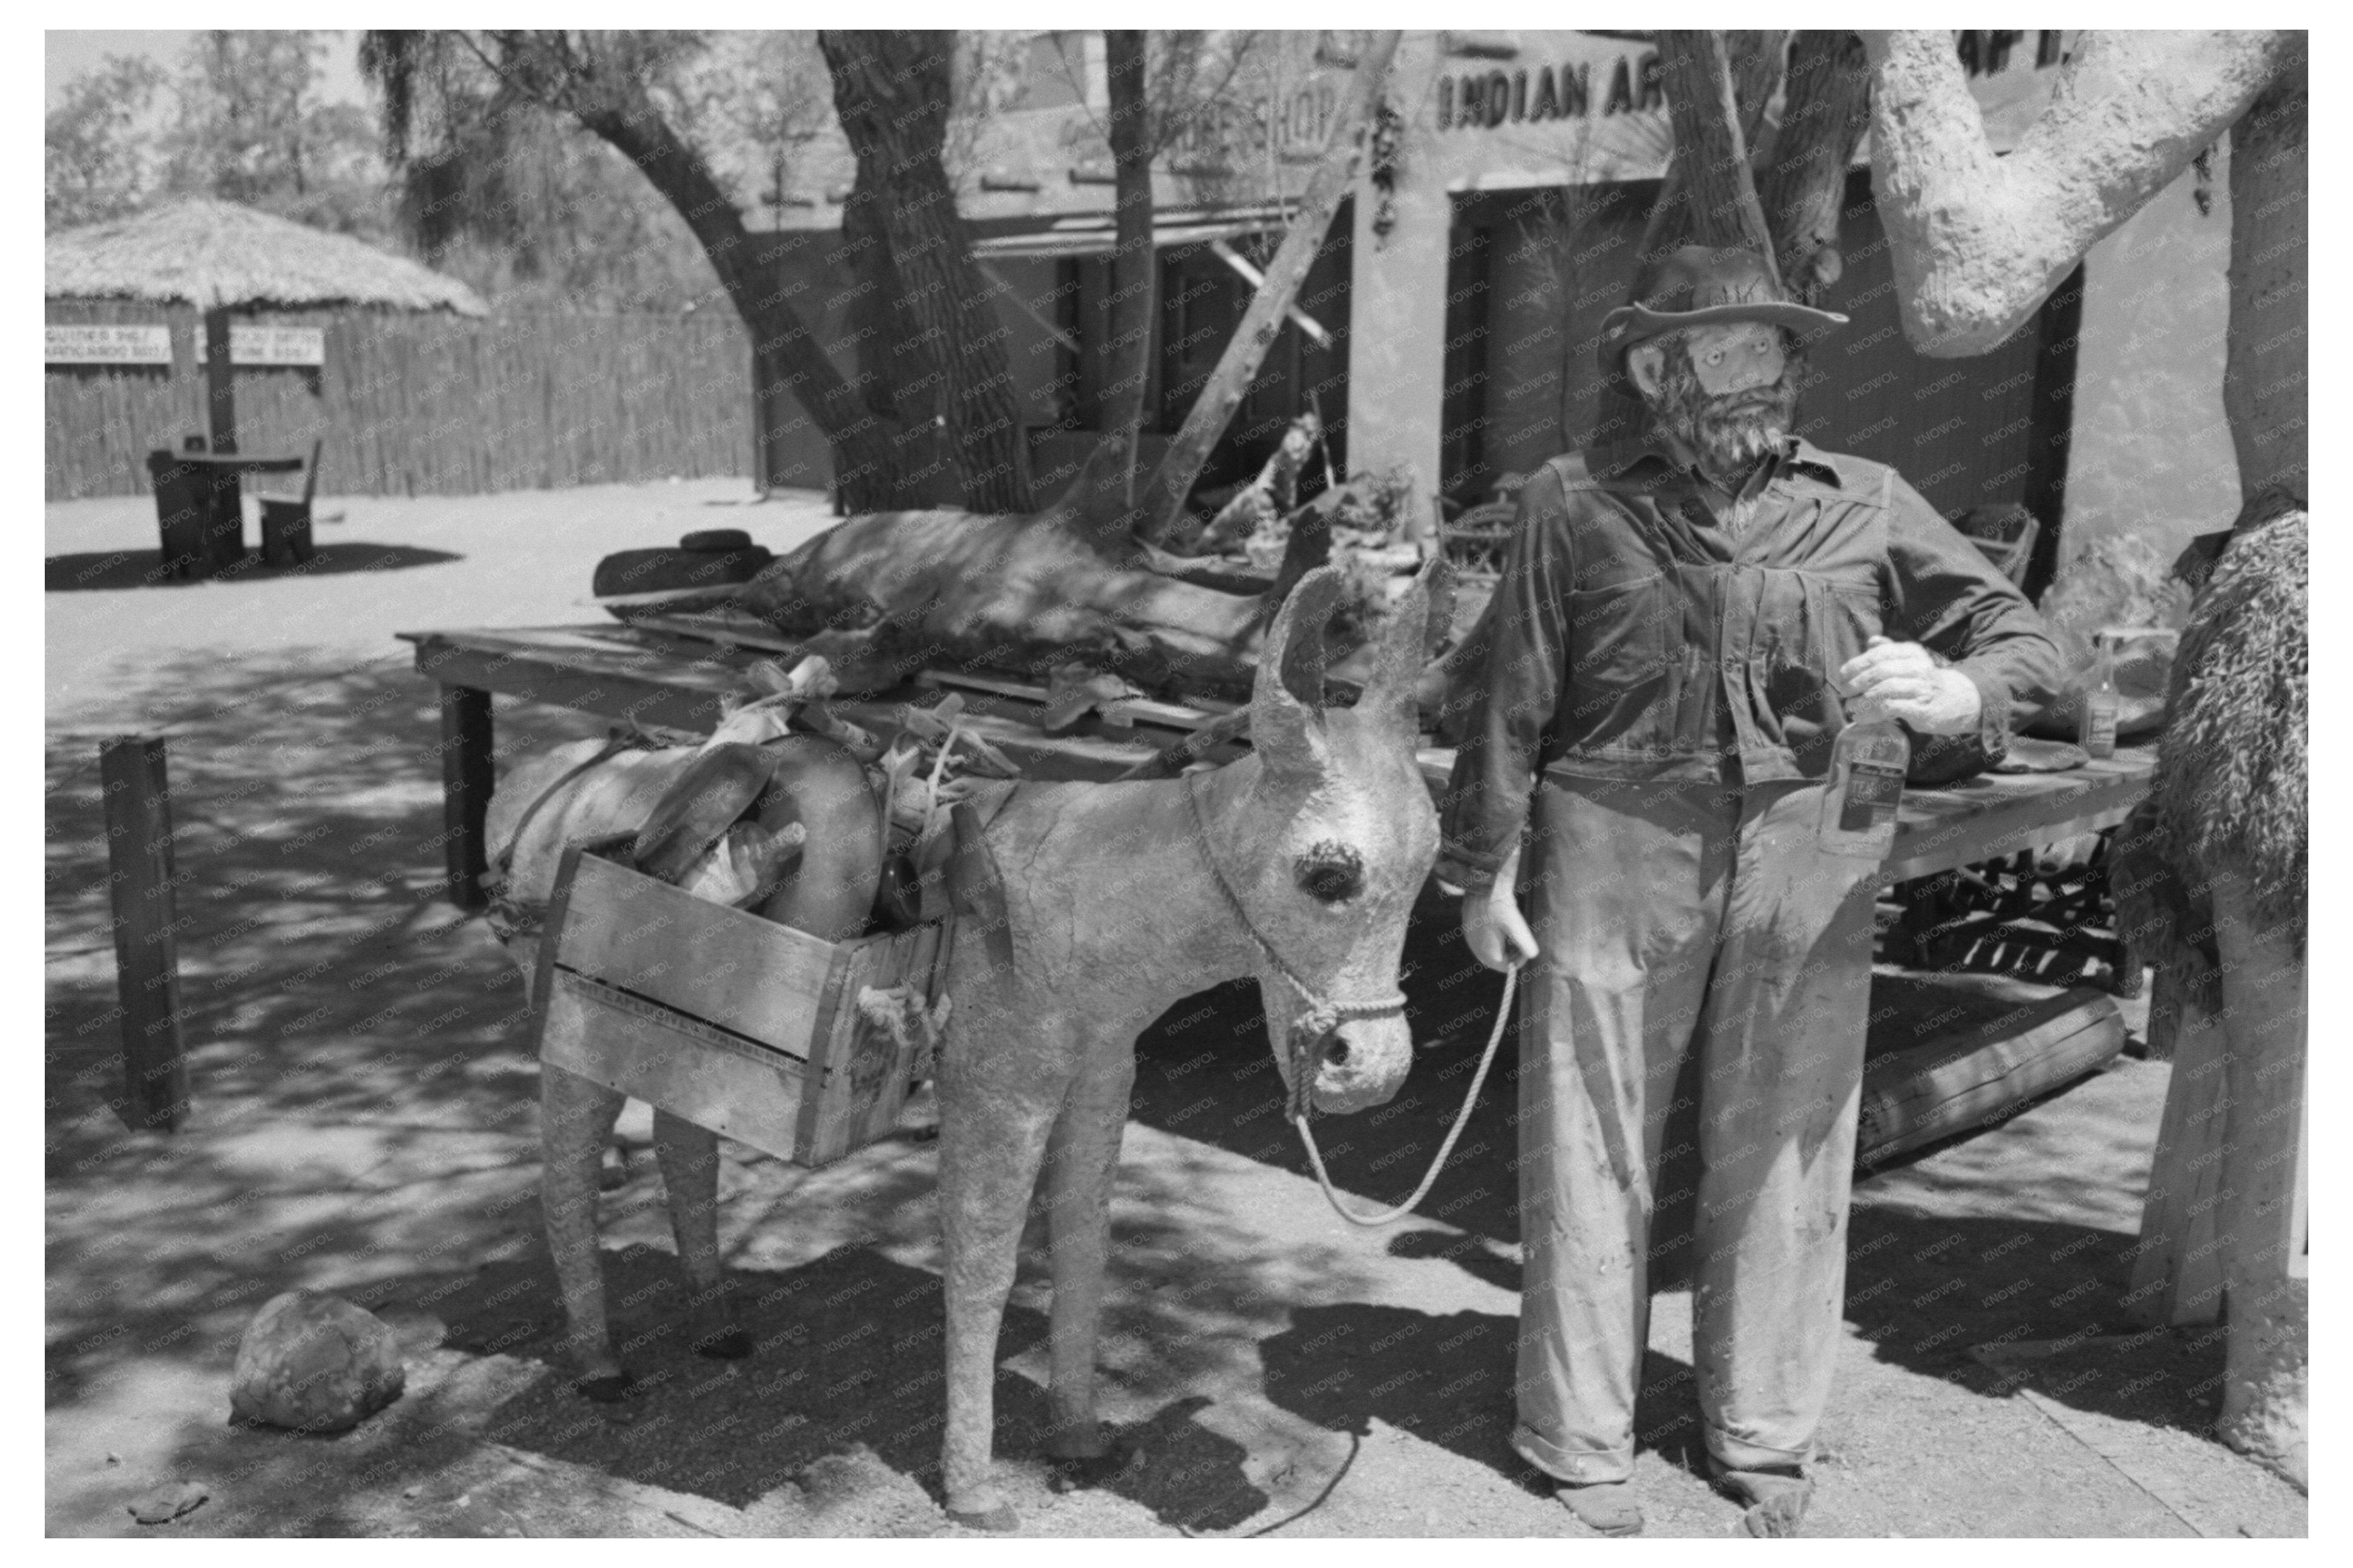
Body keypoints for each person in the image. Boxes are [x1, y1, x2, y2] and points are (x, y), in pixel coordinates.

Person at [1438, 246, 2062, 1537]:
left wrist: (1963, 695)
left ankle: (1763, 1433)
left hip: (1813, 840)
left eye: (1766, 349)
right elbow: (1511, 695)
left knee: (1788, 1139)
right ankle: (1576, 1437)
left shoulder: (1870, 500)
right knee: (1591, 1133)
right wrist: (1479, 867)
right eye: (1712, 350)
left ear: (1796, 365)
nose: (1745, 376)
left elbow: (2030, 645)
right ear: (1654, 368)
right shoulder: (1573, 500)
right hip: (1613, 829)